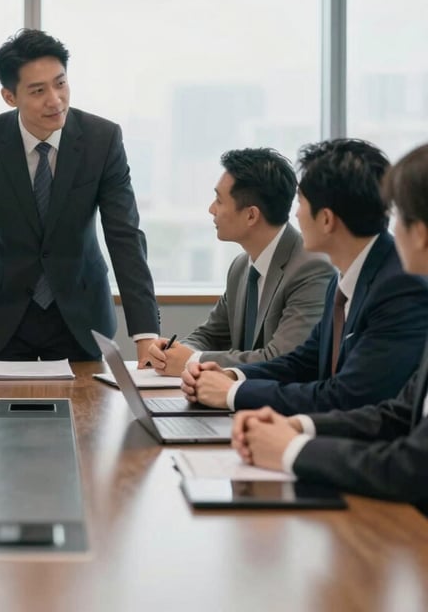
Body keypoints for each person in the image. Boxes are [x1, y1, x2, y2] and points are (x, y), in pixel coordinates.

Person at [0, 28, 159, 367]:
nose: (54, 99)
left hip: (81, 315)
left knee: (87, 418)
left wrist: (146, 335)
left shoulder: (103, 139)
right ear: (10, 97)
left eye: (61, 83)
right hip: (3, 316)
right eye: (38, 91)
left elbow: (124, 236)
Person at [232, 142, 428, 513]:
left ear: (420, 233)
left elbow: (412, 466)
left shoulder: (401, 286)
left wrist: (291, 449)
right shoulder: (340, 280)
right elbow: (399, 413)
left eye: (401, 215)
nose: (392, 226)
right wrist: (299, 427)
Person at [181, 138, 428, 415]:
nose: (295, 214)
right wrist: (234, 377)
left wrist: (234, 393)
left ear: (326, 219)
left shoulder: (399, 287)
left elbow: (347, 397)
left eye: (300, 202)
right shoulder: (344, 280)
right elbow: (303, 362)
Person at [148, 148, 333, 376]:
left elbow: (281, 357)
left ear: (251, 215)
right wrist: (175, 352)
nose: (211, 209)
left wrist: (192, 360)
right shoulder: (240, 266)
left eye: (218, 200)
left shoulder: (311, 267)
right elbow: (211, 335)